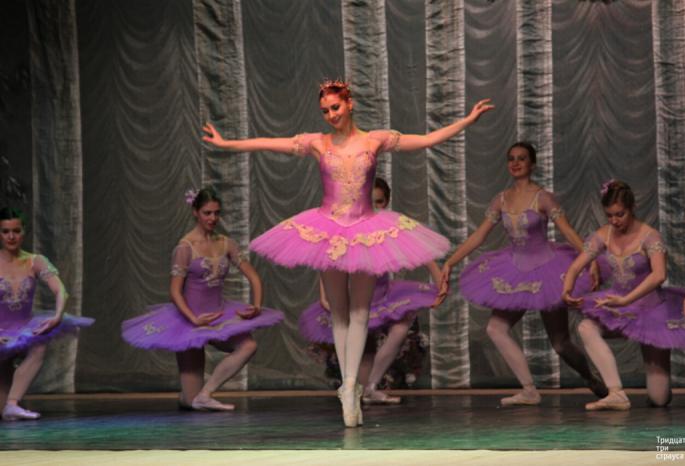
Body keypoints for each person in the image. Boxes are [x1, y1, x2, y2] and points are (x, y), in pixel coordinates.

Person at [202, 79, 492, 426]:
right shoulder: (318, 143)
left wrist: (466, 120)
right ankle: (348, 386)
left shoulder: (375, 140)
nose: (331, 115)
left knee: (360, 311)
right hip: (328, 230)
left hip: (366, 230)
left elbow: (427, 140)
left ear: (350, 104)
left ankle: (351, 384)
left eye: (335, 107)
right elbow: (269, 144)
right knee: (339, 313)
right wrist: (227, 143)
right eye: (325, 111)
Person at [439, 142, 604, 406]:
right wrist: (450, 262)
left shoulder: (543, 198)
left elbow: (568, 231)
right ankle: (529, 390)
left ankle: (590, 377)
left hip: (548, 272)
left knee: (560, 344)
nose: (515, 163)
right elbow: (479, 235)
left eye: (522, 158)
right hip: (514, 273)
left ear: (532, 164)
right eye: (511, 158)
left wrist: (589, 258)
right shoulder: (501, 199)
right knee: (495, 328)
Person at [121, 188, 284, 411]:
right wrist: (194, 319)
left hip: (219, 315)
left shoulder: (226, 243)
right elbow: (175, 292)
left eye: (216, 213)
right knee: (190, 402)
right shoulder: (185, 247)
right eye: (207, 213)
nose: (213, 218)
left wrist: (256, 306)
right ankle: (189, 397)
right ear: (195, 212)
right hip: (189, 320)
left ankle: (206, 394)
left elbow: (254, 277)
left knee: (248, 346)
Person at [298, 177, 441, 404]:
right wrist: (325, 295)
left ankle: (371, 386)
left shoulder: (388, 228)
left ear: (387, 202)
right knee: (365, 349)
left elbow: (422, 253)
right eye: (369, 201)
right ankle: (362, 391)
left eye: (380, 202)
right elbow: (328, 260)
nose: (374, 207)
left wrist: (440, 284)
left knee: (401, 327)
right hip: (355, 299)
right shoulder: (348, 227)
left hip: (384, 296)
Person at [563, 180, 685, 410]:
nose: (614, 221)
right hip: (619, 308)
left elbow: (659, 275)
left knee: (659, 399)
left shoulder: (650, 236)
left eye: (620, 214)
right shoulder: (604, 235)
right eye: (609, 215)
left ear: (632, 208)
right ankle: (616, 393)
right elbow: (576, 266)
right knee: (586, 327)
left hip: (651, 310)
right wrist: (567, 289)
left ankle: (660, 386)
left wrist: (626, 300)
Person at [0, 207, 93, 421]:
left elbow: (60, 289)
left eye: (16, 231)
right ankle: (8, 405)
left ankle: (13, 404)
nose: (11, 236)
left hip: (23, 328)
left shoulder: (35, 261)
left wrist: (58, 315)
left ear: (24, 232)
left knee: (39, 345)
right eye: (5, 231)